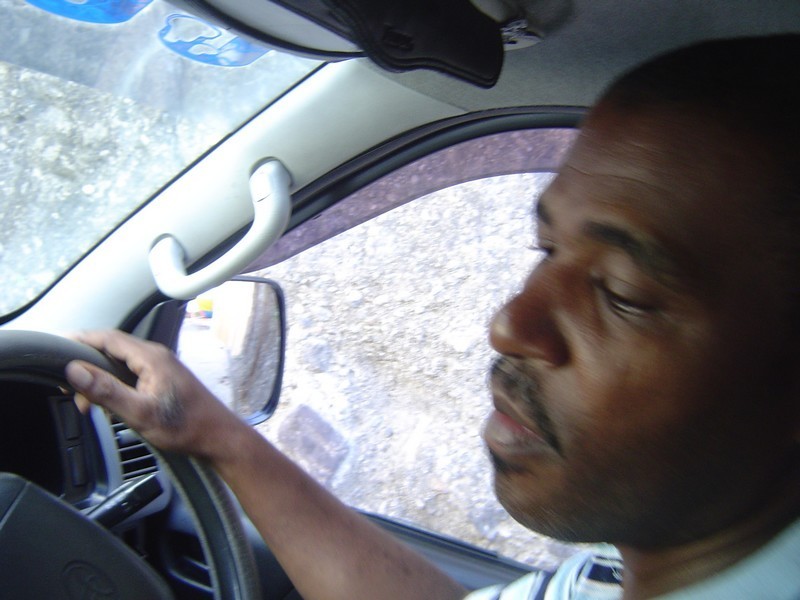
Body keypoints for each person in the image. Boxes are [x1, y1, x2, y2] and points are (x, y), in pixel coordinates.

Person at [65, 34, 800, 599]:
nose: (510, 325)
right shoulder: (631, 565)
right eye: (545, 248)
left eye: (622, 294)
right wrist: (212, 432)